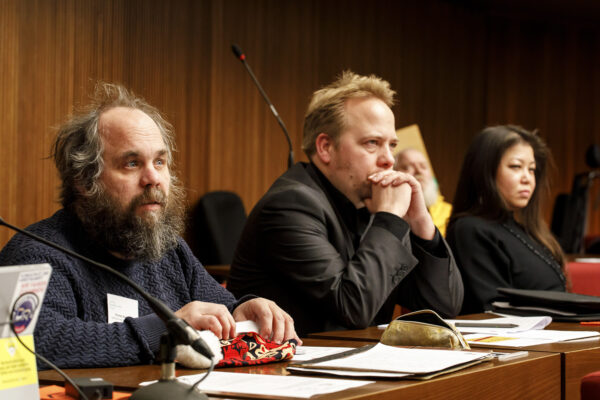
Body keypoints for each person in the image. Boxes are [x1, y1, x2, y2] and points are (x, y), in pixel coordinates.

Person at [0, 83, 299, 369]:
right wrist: (164, 331)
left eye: (159, 162)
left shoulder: (169, 250)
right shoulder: (37, 255)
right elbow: (31, 343)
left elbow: (217, 308)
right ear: (84, 181)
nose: (153, 178)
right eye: (131, 163)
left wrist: (243, 311)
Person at [228, 71, 463, 336]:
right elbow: (353, 308)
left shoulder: (369, 203)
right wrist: (389, 219)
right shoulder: (290, 205)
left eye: (392, 145)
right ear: (326, 147)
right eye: (372, 143)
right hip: (285, 370)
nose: (388, 160)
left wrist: (421, 225)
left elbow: (442, 307)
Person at [446, 125, 566, 314]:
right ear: (485, 171)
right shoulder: (469, 229)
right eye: (516, 167)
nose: (527, 178)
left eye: (532, 169)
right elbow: (494, 309)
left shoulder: (525, 229)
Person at [394, 148, 452, 236]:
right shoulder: (392, 217)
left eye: (423, 166)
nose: (418, 171)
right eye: (407, 167)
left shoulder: (450, 213)